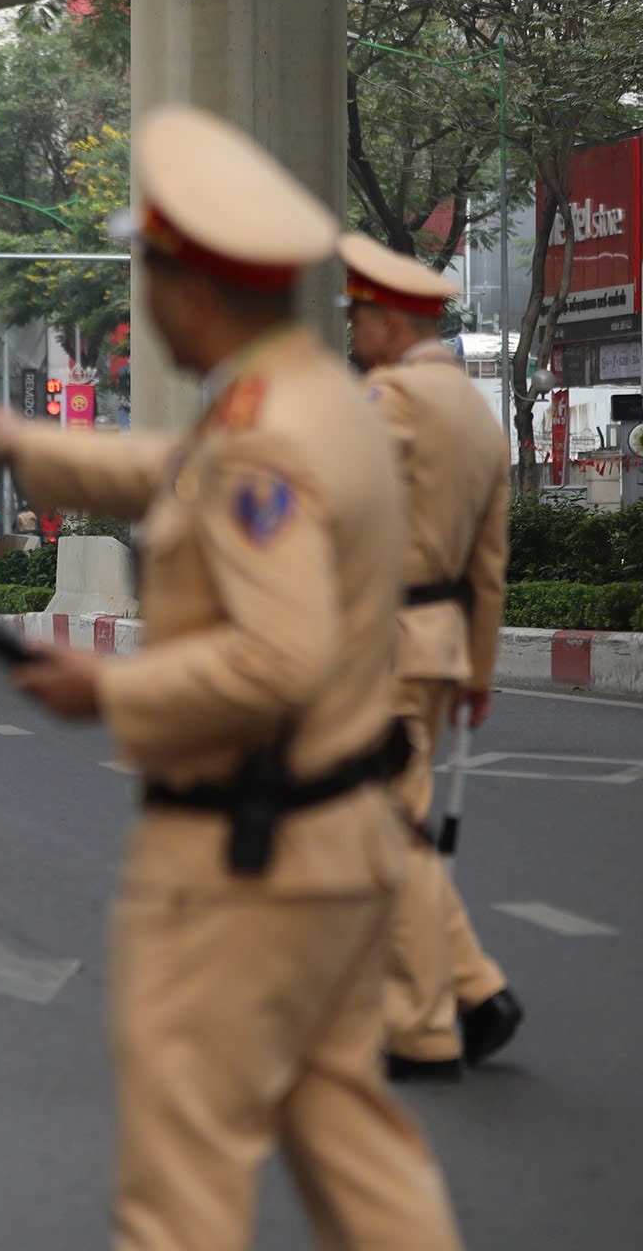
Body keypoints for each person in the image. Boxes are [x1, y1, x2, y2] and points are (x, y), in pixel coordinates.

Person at [0, 106, 461, 1250]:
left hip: (246, 864)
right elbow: (178, 472)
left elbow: (276, 655)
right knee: (354, 1146)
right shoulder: (317, 403)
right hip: (337, 843)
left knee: (180, 1190)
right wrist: (26, 445)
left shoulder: (264, 436)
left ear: (189, 285)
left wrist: (110, 691)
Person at [340, 231, 523, 1081]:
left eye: (358, 315)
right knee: (399, 821)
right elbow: (489, 565)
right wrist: (479, 673)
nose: (351, 331)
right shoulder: (479, 420)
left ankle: (420, 1027)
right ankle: (479, 992)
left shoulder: (391, 402)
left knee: (390, 833)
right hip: (442, 645)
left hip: (383, 643)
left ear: (389, 320)